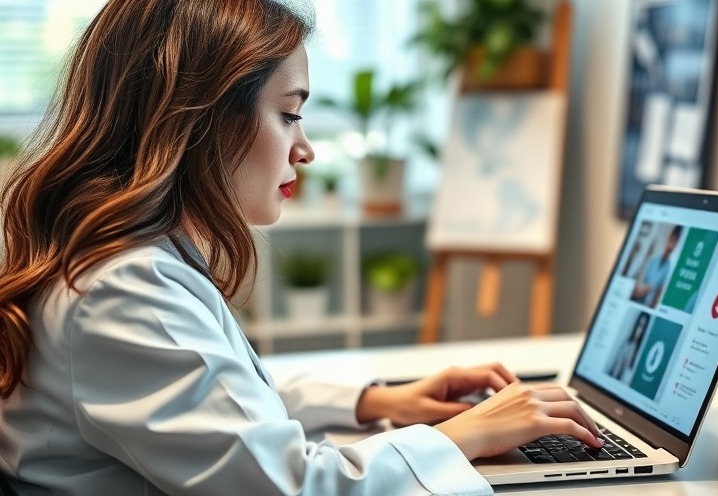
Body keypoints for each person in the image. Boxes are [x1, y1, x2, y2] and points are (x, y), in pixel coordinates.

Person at [0, 1, 602, 494]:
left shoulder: (120, 264)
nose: (306, 149)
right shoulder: (123, 291)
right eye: (289, 115)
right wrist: (467, 434)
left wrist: (377, 402)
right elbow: (295, 488)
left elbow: (214, 395)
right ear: (204, 123)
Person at [630, 224, 683, 308]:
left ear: (676, 244)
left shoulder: (669, 268)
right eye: (670, 240)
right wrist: (646, 288)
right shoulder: (653, 259)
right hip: (637, 299)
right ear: (667, 238)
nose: (670, 245)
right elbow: (640, 281)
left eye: (674, 242)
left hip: (647, 306)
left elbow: (658, 294)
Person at [606, 311, 651, 384]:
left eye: (643, 327)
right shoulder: (626, 345)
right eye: (639, 325)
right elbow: (615, 372)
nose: (639, 330)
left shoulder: (641, 354)